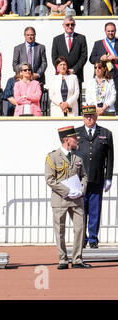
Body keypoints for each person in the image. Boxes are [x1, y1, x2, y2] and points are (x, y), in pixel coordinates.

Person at [45, 126, 90, 270]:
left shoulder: (77, 158)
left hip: (77, 199)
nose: (77, 140)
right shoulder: (52, 157)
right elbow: (50, 179)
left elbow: (84, 176)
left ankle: (77, 259)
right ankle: (63, 259)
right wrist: (67, 191)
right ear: (66, 140)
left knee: (80, 228)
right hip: (60, 199)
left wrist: (82, 190)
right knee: (60, 230)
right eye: (74, 138)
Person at [73, 106, 114, 249]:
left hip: (97, 177)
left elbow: (110, 158)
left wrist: (108, 177)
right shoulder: (76, 133)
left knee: (95, 210)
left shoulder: (105, 133)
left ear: (96, 117)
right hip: (80, 180)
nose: (89, 119)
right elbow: (71, 157)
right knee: (81, 211)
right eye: (86, 116)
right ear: (83, 117)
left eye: (91, 116)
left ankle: (93, 238)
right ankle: (82, 238)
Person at [51, 16, 87, 114]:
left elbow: (84, 56)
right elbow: (54, 58)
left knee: (74, 101)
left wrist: (73, 70)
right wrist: (62, 70)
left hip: (76, 75)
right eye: (67, 24)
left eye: (72, 24)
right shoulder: (57, 39)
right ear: (63, 26)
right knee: (59, 98)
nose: (70, 26)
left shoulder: (81, 38)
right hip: (61, 75)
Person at [89, 22, 118, 111]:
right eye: (108, 31)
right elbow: (91, 59)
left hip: (116, 75)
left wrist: (116, 58)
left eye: (112, 31)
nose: (110, 33)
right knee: (100, 97)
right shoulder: (98, 44)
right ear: (105, 31)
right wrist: (100, 58)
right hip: (103, 76)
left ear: (115, 31)